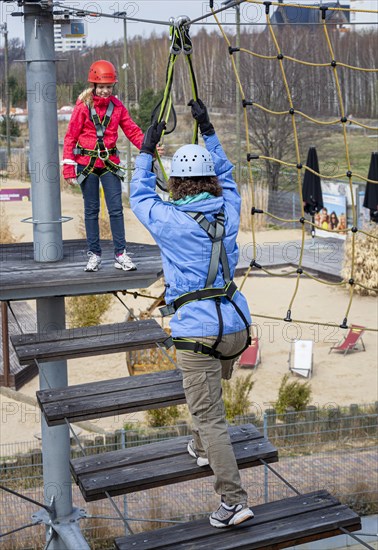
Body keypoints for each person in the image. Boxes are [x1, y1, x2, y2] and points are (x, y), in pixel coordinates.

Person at [130, 99, 254, 529]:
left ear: (177, 182)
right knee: (209, 400)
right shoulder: (230, 210)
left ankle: (233, 501)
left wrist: (146, 148)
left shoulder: (168, 220)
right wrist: (208, 128)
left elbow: (139, 192)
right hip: (236, 328)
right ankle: (201, 449)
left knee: (210, 416)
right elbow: (228, 176)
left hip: (197, 332)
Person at [62, 60, 144, 272]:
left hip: (109, 163)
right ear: (94, 86)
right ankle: (95, 254)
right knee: (91, 210)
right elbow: (71, 136)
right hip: (86, 164)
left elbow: (132, 130)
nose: (106, 91)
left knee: (116, 209)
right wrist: (68, 168)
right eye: (102, 87)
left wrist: (150, 147)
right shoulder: (83, 108)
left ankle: (120, 254)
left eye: (109, 86)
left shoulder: (117, 108)